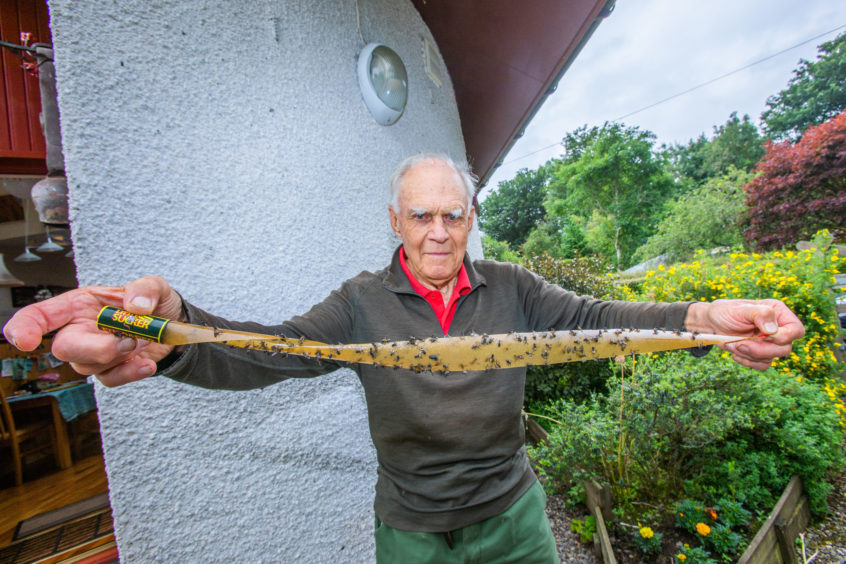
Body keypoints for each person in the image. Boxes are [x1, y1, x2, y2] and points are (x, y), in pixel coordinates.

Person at [3, 153, 805, 563]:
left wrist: (708, 320)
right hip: (413, 531)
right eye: (421, 215)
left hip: (515, 516)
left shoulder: (515, 287)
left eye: (453, 215)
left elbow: (603, 317)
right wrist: (174, 327)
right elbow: (270, 356)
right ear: (396, 218)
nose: (437, 233)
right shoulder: (359, 303)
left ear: (470, 218)